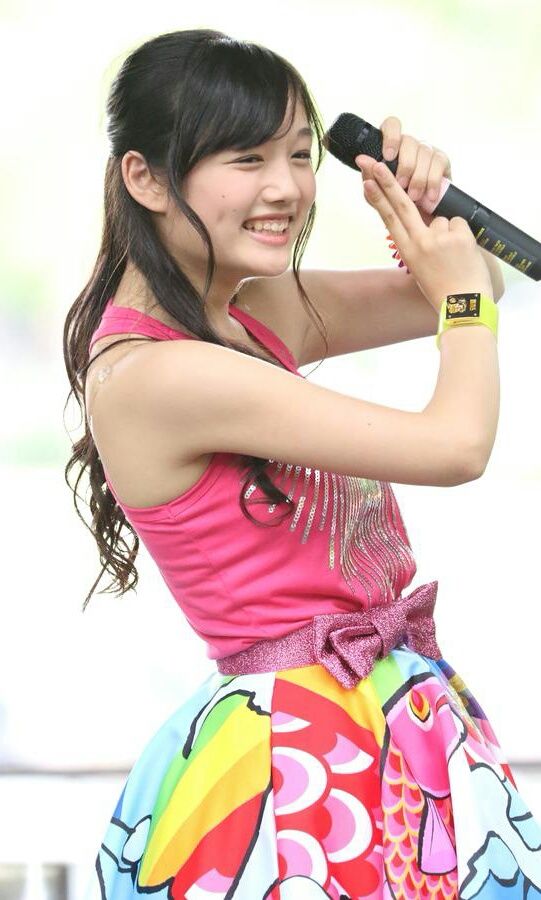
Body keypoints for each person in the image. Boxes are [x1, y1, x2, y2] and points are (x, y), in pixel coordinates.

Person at [63, 28, 541, 900]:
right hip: (296, 762)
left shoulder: (250, 314)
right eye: (246, 158)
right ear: (146, 177)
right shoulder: (156, 375)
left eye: (296, 153)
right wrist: (463, 298)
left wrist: (423, 211)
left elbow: (475, 283)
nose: (284, 186)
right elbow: (455, 443)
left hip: (383, 727)